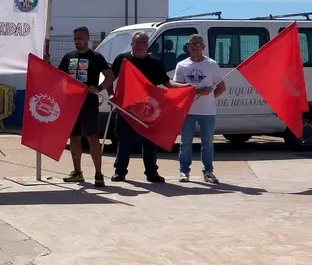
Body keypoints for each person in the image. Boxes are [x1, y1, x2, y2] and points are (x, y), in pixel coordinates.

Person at [110, 31, 190, 183]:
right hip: (127, 108)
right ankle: (119, 172)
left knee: (149, 142)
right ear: (132, 44)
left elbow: (167, 83)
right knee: (124, 141)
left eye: (143, 44)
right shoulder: (122, 59)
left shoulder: (155, 62)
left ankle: (152, 173)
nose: (140, 47)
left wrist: (183, 87)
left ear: (147, 45)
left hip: (149, 108)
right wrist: (110, 93)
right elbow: (110, 77)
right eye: (137, 44)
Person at [58, 26, 115, 187]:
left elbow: (110, 76)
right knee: (74, 138)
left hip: (88, 104)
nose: (77, 41)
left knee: (92, 138)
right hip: (71, 104)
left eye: (80, 38)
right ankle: (77, 172)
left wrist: (99, 88)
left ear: (87, 38)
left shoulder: (96, 57)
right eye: (75, 38)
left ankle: (98, 173)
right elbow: (59, 76)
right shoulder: (68, 57)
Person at [174, 34, 225, 184]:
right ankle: (184, 172)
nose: (195, 47)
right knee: (185, 143)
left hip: (207, 112)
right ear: (188, 47)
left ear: (203, 47)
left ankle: (208, 171)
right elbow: (178, 89)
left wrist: (210, 98)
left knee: (208, 143)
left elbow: (221, 87)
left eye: (198, 44)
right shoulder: (182, 65)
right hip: (188, 111)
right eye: (191, 44)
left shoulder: (211, 64)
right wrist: (199, 92)